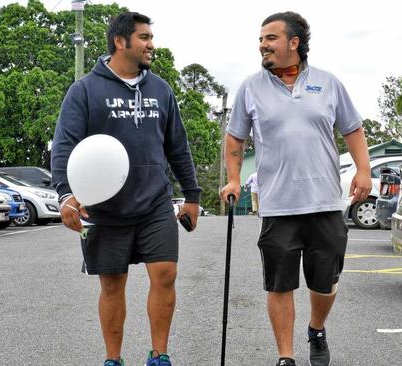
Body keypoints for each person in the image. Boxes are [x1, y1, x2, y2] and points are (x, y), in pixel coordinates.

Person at [220, 11, 371, 366]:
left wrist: (363, 169)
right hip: (278, 206)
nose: (262, 45)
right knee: (279, 284)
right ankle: (285, 356)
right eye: (260, 39)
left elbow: (352, 129)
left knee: (325, 283)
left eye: (270, 38)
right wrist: (233, 178)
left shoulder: (328, 83)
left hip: (323, 203)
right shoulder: (250, 88)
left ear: (294, 43)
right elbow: (235, 138)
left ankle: (316, 328)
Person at [51, 12, 201, 366]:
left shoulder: (160, 89)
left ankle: (159, 356)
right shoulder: (85, 90)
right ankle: (113, 359)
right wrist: (65, 195)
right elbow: (64, 146)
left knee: (165, 275)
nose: (152, 44)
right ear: (121, 41)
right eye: (145, 37)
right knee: (112, 285)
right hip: (104, 208)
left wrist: (192, 196)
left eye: (151, 37)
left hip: (154, 203)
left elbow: (177, 146)